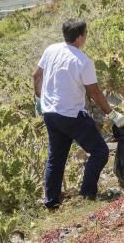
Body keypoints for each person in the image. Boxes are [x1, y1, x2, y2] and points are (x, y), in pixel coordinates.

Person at [33, 19, 114, 209]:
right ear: (80, 37)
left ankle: (51, 202)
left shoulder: (51, 50)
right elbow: (94, 92)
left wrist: (40, 97)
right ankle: (87, 193)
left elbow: (36, 75)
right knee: (100, 152)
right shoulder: (82, 61)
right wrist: (111, 112)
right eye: (85, 34)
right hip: (71, 114)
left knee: (56, 158)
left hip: (50, 113)